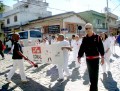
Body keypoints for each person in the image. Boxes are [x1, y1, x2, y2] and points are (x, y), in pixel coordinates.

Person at [77, 23, 104, 91]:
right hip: (88, 59)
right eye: (86, 28)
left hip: (95, 59)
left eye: (89, 28)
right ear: (85, 29)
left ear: (92, 28)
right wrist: (79, 56)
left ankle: (94, 88)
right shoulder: (84, 38)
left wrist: (102, 57)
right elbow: (82, 48)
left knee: (95, 74)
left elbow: (101, 47)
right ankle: (93, 87)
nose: (88, 29)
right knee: (90, 74)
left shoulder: (97, 37)